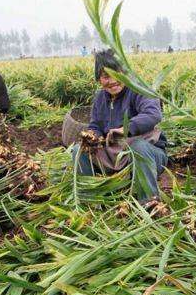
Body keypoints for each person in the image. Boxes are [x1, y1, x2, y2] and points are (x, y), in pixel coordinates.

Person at [71, 49, 167, 202]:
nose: (113, 80)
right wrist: (93, 135)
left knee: (139, 147)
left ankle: (149, 203)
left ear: (125, 73)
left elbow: (153, 114)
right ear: (99, 79)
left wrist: (125, 130)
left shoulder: (138, 89)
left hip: (148, 154)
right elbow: (96, 125)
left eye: (118, 74)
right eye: (106, 76)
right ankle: (90, 201)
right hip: (114, 155)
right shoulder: (100, 99)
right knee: (79, 150)